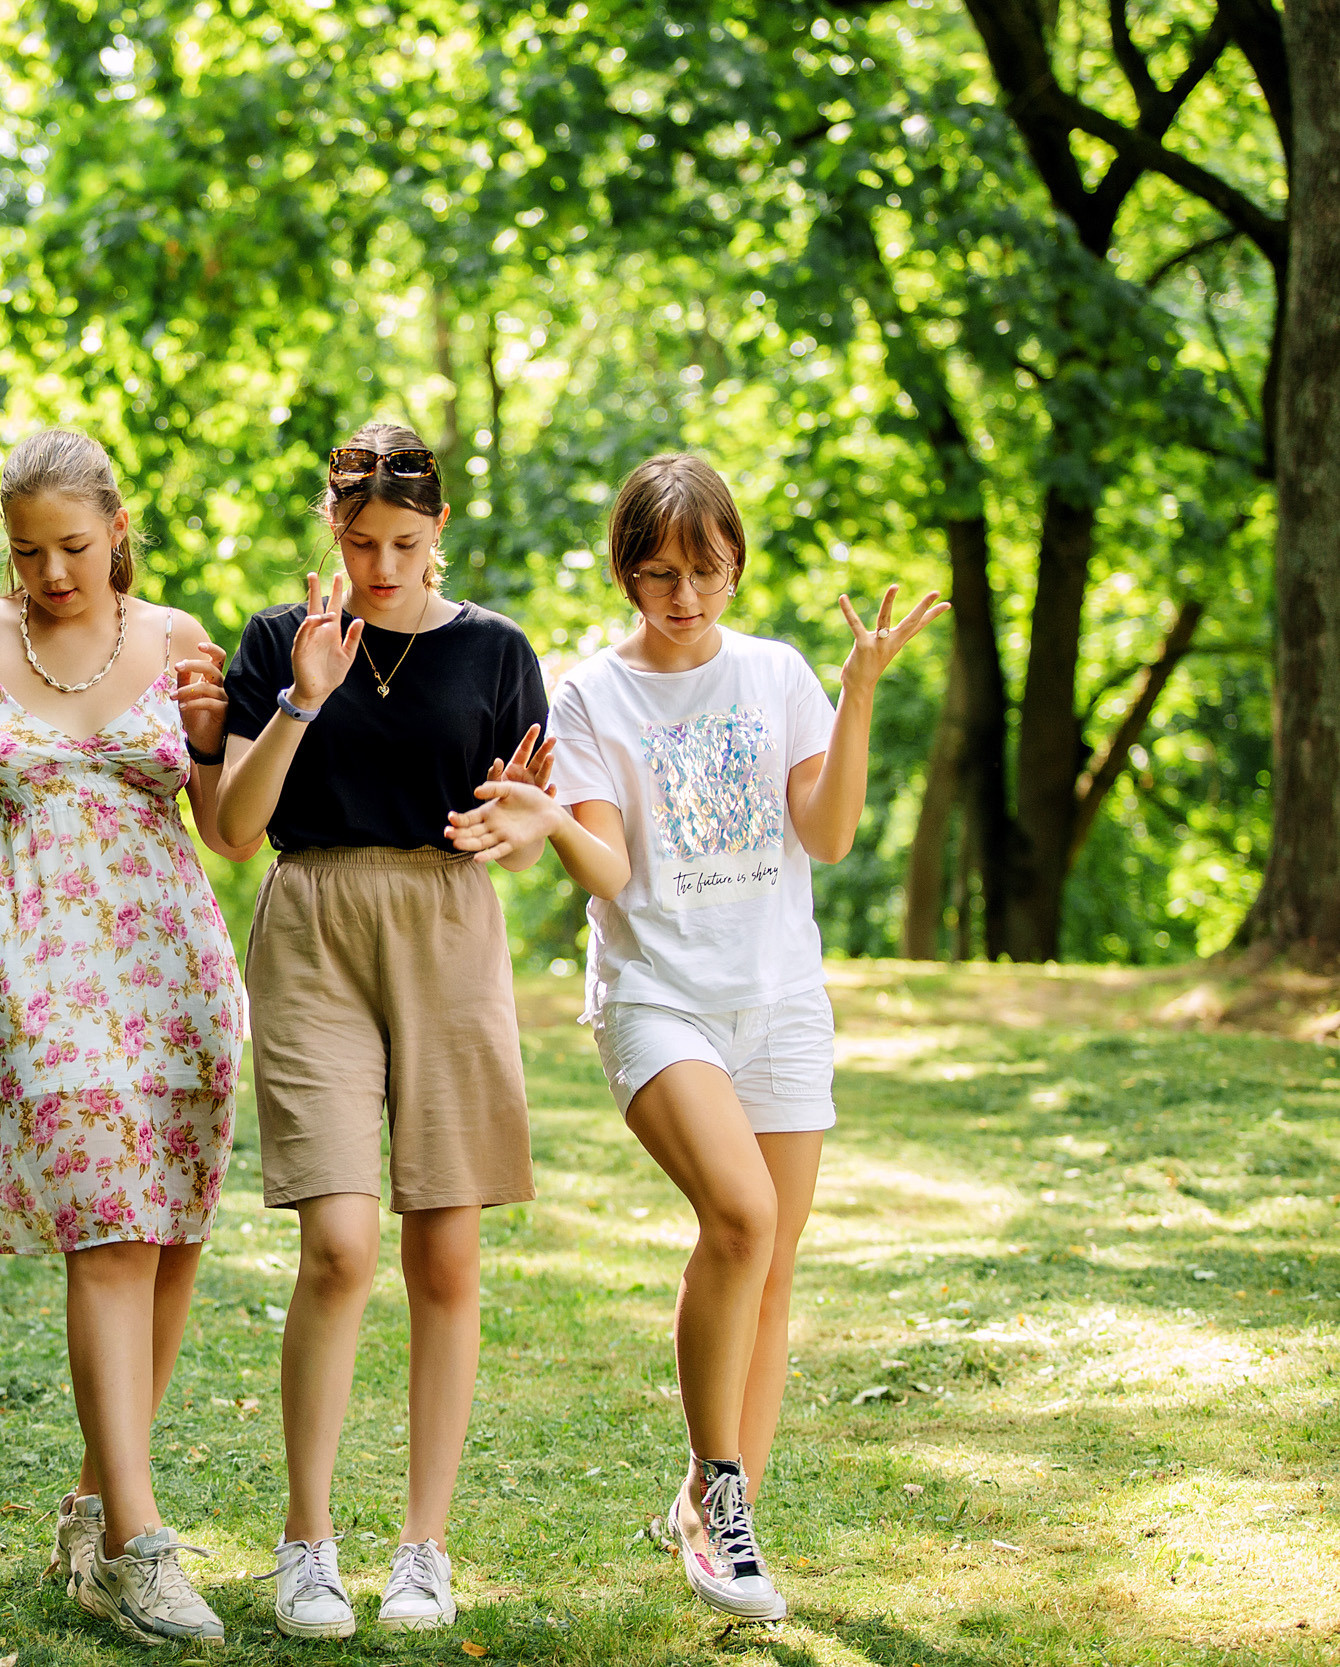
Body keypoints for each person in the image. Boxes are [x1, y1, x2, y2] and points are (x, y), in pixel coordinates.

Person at [446, 452, 945, 1622]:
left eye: (707, 570)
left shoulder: (775, 674)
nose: (684, 597)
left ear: (734, 565)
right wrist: (548, 821)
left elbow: (824, 834)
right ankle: (720, 1491)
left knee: (769, 1264)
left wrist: (857, 687)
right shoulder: (589, 695)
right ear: (626, 569)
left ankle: (723, 1515)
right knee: (741, 1214)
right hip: (657, 995)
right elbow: (612, 867)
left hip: (779, 996)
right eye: (660, 573)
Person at [0, 429, 248, 1646]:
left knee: (169, 1238)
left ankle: (91, 1508)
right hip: (33, 979)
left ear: (116, 528)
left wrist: (252, 719)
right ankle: (142, 1545)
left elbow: (229, 827)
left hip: (173, 970)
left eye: (72, 547)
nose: (50, 573)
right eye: (26, 551)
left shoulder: (180, 639)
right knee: (110, 1234)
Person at [213, 421, 560, 1638]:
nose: (381, 566)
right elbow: (232, 825)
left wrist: (519, 828)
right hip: (310, 919)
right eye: (360, 541)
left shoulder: (497, 649)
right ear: (331, 527)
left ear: (439, 532)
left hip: (448, 926)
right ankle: (306, 1542)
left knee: (445, 1255)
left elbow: (533, 814)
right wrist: (303, 699)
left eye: (405, 543)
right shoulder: (276, 641)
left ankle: (423, 1546)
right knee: (339, 1246)